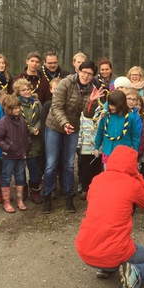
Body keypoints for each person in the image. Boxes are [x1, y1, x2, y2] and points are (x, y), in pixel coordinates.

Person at [75, 145, 144, 288]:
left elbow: (91, 201)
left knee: (107, 233)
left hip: (85, 249)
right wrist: (138, 176)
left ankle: (104, 268)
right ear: (132, 164)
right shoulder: (132, 183)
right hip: (115, 251)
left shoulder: (97, 179)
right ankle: (135, 274)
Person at [43, 61, 104, 214]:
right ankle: (47, 196)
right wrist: (64, 123)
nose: (86, 76)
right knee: (51, 163)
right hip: (55, 126)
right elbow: (56, 106)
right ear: (78, 71)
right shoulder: (65, 83)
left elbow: (88, 114)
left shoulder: (92, 89)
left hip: (73, 127)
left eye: (90, 74)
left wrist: (92, 101)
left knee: (69, 164)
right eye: (84, 72)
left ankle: (69, 196)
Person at [0, 94, 31, 212]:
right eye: (15, 108)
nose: (17, 110)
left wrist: (27, 145)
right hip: (9, 156)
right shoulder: (3, 122)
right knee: (6, 177)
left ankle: (20, 200)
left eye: (18, 107)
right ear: (8, 109)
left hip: (21, 154)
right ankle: (6, 202)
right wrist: (8, 148)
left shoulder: (22, 120)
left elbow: (27, 134)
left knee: (20, 177)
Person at [13, 79, 43, 203]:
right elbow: (15, 120)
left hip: (35, 141)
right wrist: (30, 129)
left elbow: (42, 117)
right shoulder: (15, 104)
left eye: (28, 89)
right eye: (23, 90)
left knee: (34, 167)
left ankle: (35, 190)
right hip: (21, 140)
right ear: (18, 92)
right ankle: (23, 188)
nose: (27, 91)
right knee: (20, 168)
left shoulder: (36, 103)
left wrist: (37, 128)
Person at [94, 89, 140, 169]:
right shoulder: (105, 117)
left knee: (122, 176)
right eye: (109, 104)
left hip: (124, 153)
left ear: (121, 104)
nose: (111, 107)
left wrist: (135, 149)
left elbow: (135, 135)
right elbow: (100, 133)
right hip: (108, 152)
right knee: (108, 175)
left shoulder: (130, 117)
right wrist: (97, 147)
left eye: (113, 105)